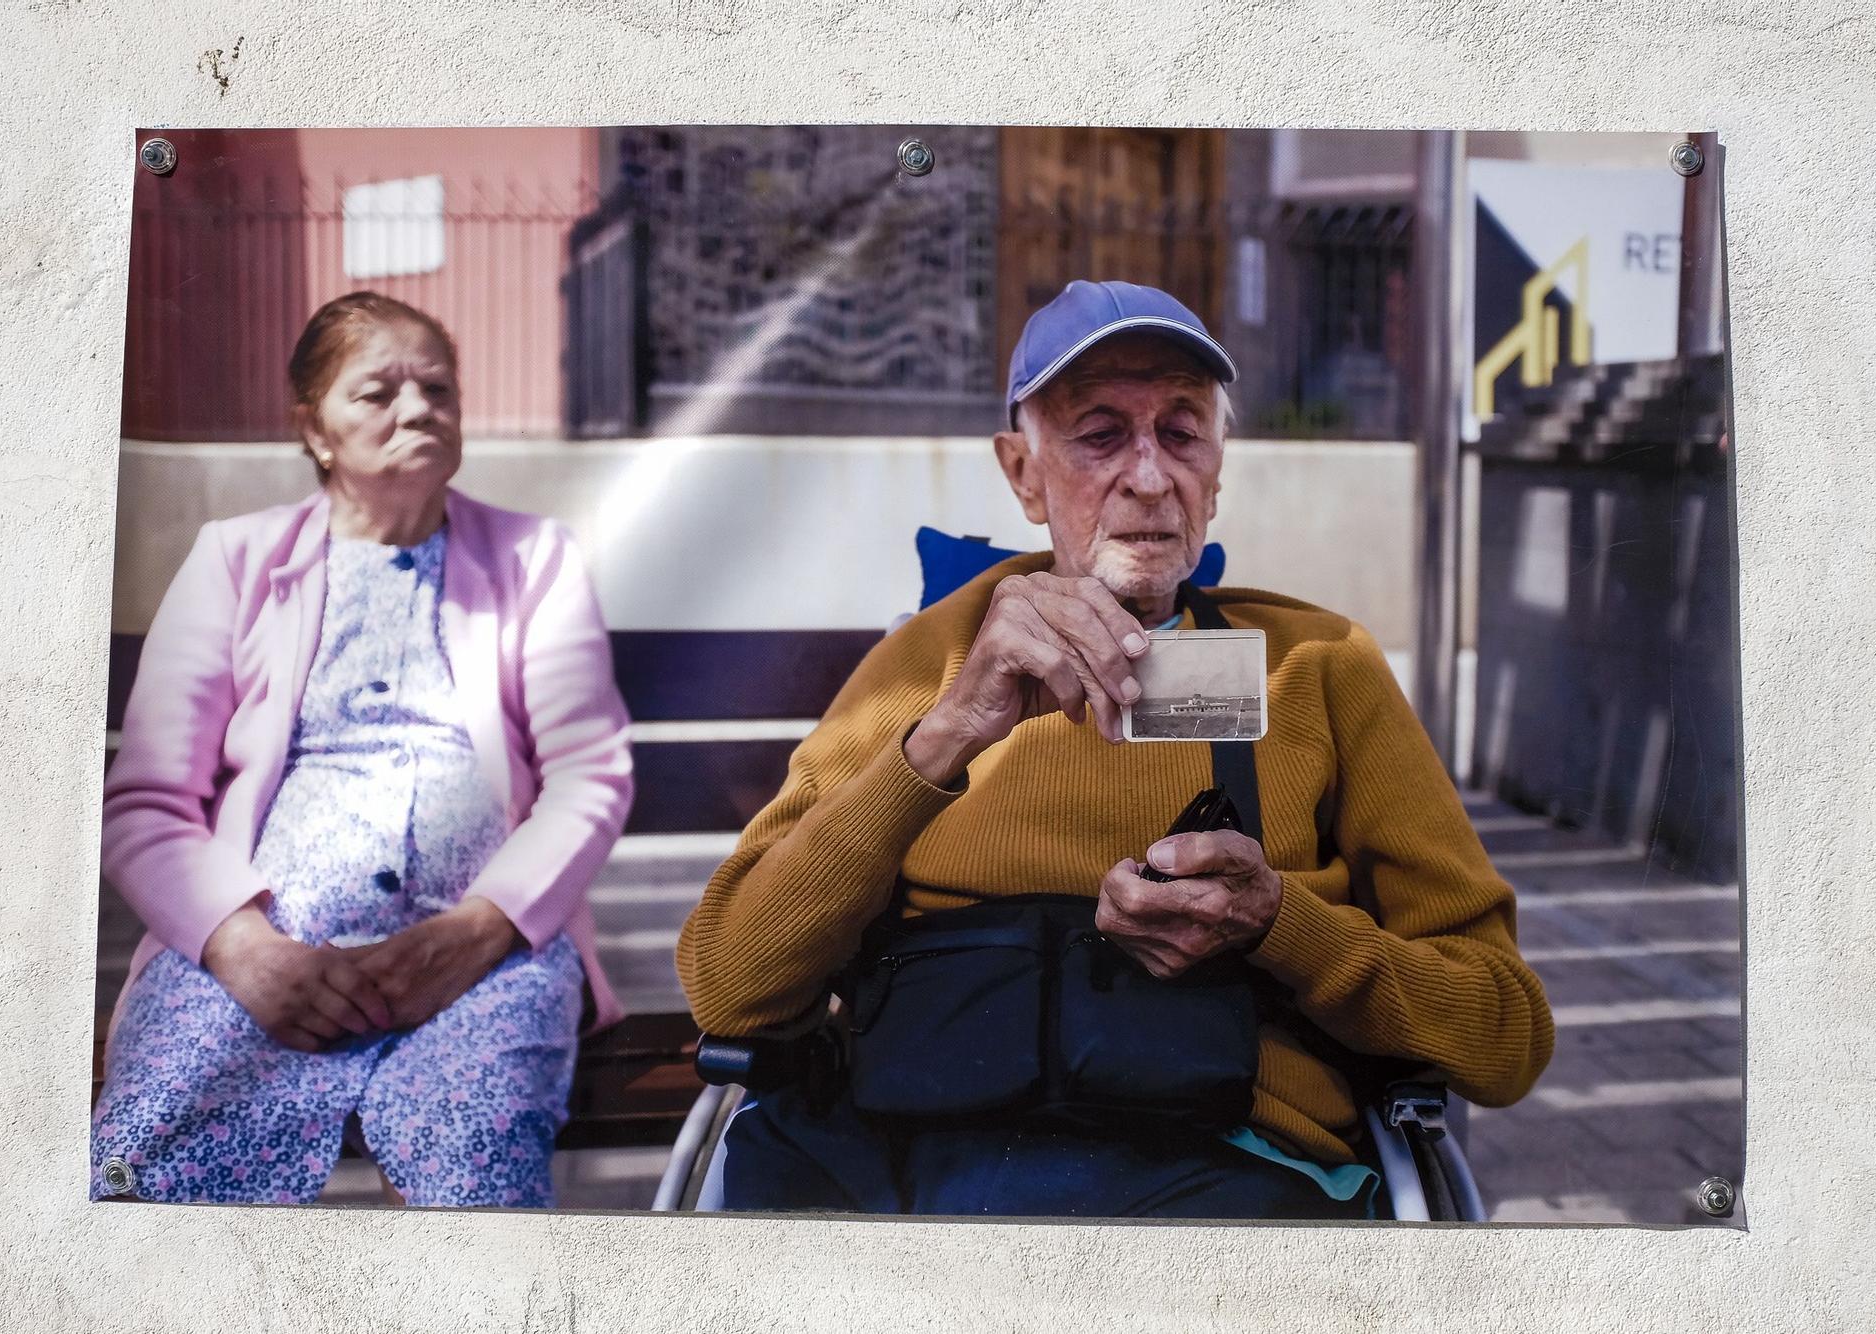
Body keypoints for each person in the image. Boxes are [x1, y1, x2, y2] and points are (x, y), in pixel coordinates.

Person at [675, 280, 1554, 1219]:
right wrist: (945, 736)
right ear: (1023, 473)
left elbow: (1502, 1034)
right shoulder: (927, 660)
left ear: (1217, 471)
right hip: (914, 1161)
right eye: (1099, 435)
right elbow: (731, 988)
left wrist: (1279, 925)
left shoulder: (1315, 667)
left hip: (1221, 1170)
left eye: (1181, 433)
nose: (1147, 476)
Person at [91, 292, 634, 1207]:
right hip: (257, 951)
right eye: (379, 392)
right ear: (315, 429)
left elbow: (588, 774)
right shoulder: (234, 559)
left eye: (438, 388)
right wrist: (243, 949)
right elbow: (147, 802)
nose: (418, 409)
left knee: (473, 1161)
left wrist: (477, 931)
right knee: (154, 1157)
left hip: (484, 956)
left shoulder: (537, 558)